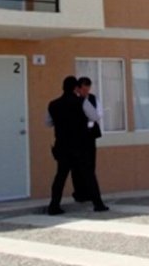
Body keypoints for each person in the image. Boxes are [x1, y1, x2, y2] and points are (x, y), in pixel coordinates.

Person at [46, 76, 108, 215]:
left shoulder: (53, 104)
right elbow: (94, 117)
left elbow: (48, 123)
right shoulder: (82, 102)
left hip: (62, 146)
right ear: (76, 88)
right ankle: (98, 204)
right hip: (80, 145)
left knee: (60, 176)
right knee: (89, 175)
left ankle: (54, 206)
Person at [72, 76, 103, 204]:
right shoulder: (74, 100)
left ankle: (89, 192)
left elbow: (98, 114)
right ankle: (79, 193)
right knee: (77, 167)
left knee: (90, 164)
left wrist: (89, 121)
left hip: (90, 135)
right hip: (78, 137)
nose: (86, 92)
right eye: (84, 89)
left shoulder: (93, 99)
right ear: (78, 88)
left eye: (88, 89)